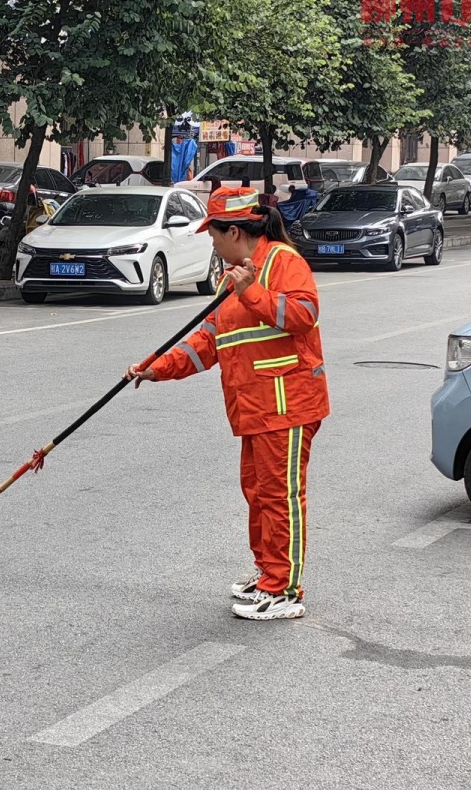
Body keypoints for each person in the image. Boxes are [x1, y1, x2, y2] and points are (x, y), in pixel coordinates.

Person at [125, 185, 329, 621]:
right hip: (253, 407)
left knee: (280, 497)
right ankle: (268, 572)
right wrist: (157, 368)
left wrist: (252, 292)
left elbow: (304, 315)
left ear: (233, 231)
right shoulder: (230, 279)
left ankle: (285, 589)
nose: (212, 244)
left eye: (213, 235)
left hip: (287, 404)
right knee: (258, 493)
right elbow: (208, 342)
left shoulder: (283, 262)